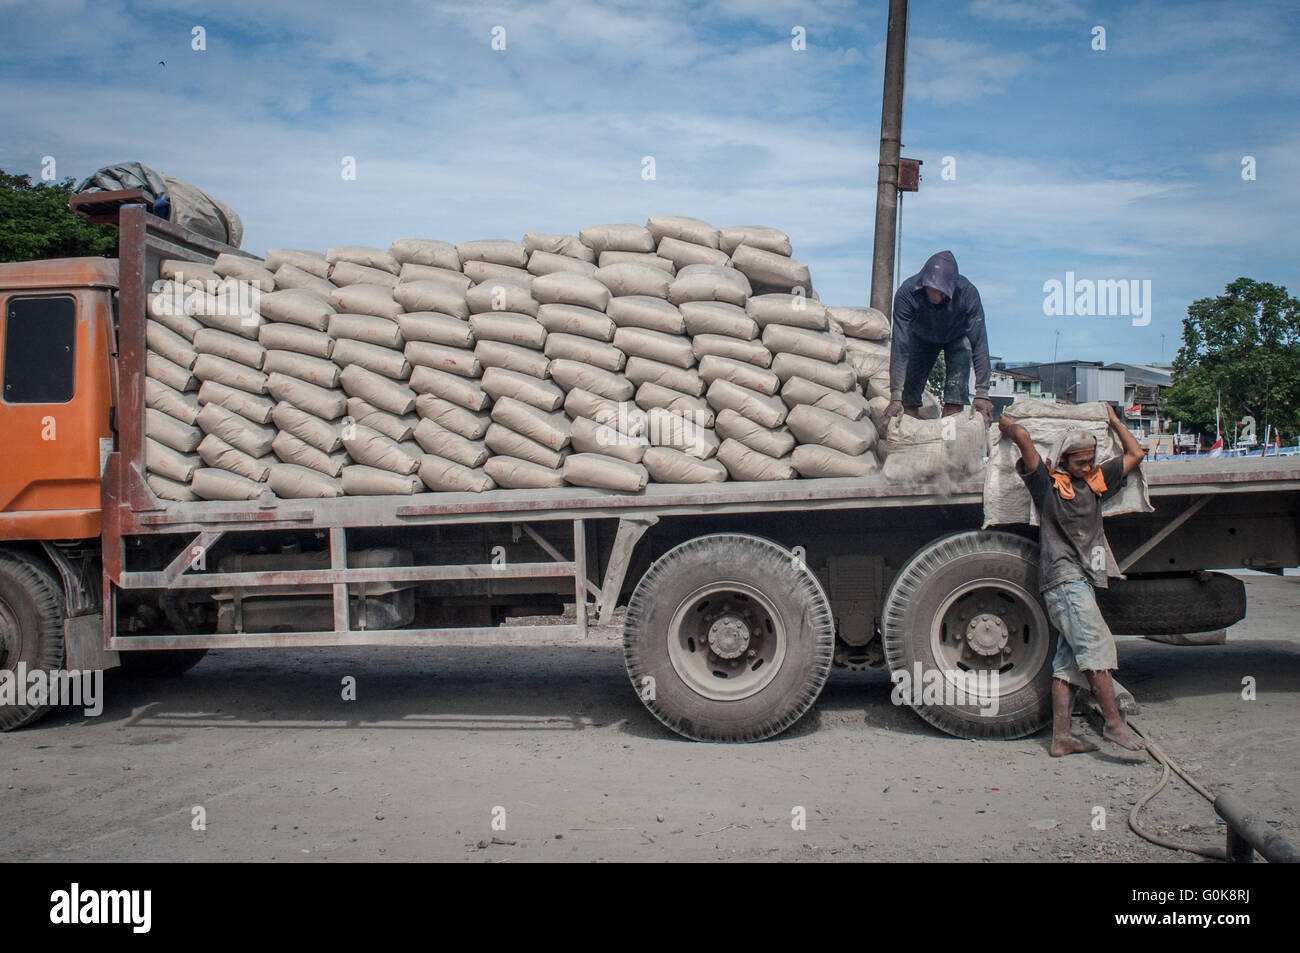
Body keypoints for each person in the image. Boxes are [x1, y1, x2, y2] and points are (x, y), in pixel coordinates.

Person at [996, 402, 1147, 756]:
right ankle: (1113, 724)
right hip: (1063, 581)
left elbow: (1135, 454)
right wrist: (998, 419)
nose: (1087, 466)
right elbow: (1020, 435)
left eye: (1091, 459)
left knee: (1067, 663)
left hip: (1082, 581)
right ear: (1061, 459)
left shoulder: (1096, 482)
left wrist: (1114, 421)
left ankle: (1061, 737)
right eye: (1079, 461)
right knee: (1096, 648)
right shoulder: (1045, 484)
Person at [886, 250, 994, 423]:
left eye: (943, 292)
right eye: (933, 289)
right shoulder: (906, 294)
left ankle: (948, 438)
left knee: (956, 392)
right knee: (909, 396)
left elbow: (979, 342)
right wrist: (895, 396)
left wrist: (982, 392)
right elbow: (900, 346)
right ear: (924, 284)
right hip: (921, 337)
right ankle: (910, 438)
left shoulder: (967, 293)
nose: (938, 295)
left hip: (956, 336)